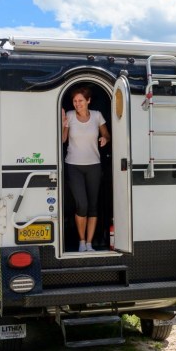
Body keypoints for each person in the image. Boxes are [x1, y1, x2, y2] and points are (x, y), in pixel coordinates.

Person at [61, 86, 110, 252]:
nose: (77, 104)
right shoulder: (69, 115)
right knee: (82, 204)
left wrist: (104, 138)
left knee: (93, 206)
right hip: (73, 165)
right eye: (75, 101)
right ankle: (81, 242)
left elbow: (107, 135)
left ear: (88, 101)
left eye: (80, 100)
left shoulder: (97, 116)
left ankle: (89, 244)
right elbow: (63, 139)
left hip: (94, 165)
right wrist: (63, 124)